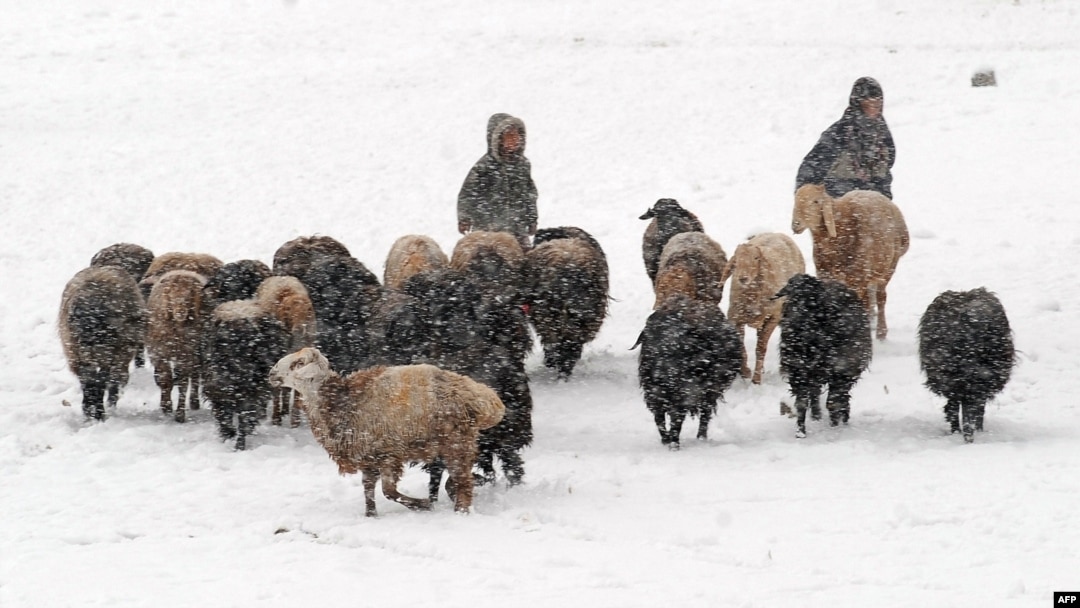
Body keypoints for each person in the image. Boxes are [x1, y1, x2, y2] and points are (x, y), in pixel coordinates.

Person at [795, 77, 895, 199]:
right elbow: (809, 170)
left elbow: (883, 175)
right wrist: (807, 202)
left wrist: (883, 199)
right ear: (857, 104)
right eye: (868, 105)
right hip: (838, 207)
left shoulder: (883, 139)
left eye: (877, 105)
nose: (873, 110)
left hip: (870, 210)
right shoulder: (838, 134)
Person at [457, 113, 538, 251]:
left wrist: (531, 218)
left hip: (516, 229)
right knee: (486, 259)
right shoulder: (484, 167)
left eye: (517, 135)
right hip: (488, 228)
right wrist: (465, 218)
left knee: (523, 260)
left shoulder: (523, 165)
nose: (514, 140)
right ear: (497, 139)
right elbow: (468, 193)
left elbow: (529, 194)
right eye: (509, 136)